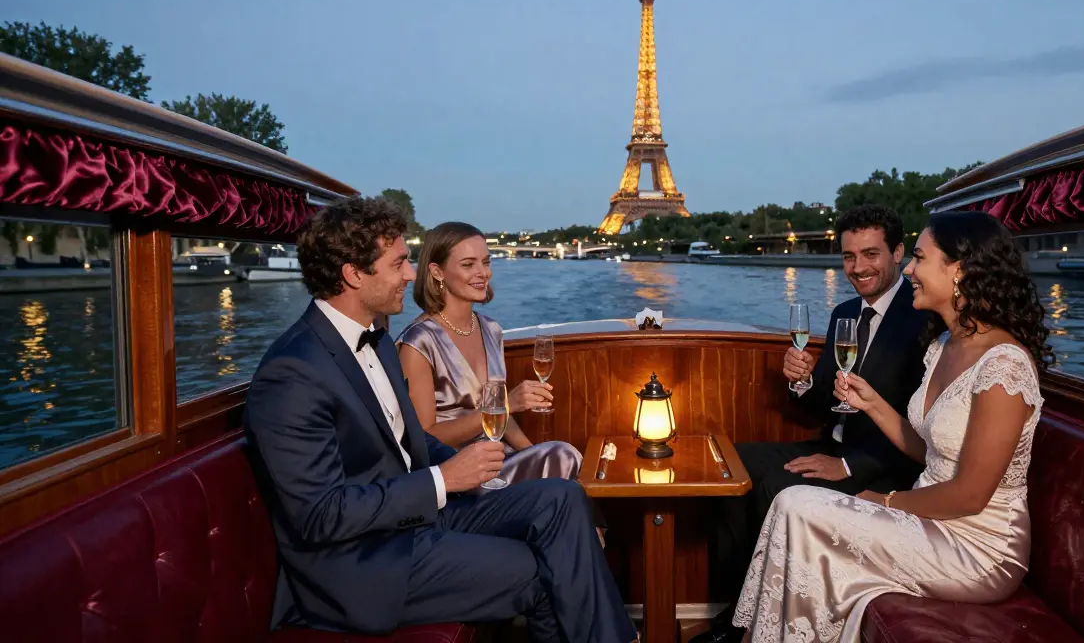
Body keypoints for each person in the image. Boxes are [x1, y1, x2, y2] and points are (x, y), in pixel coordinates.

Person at [243, 196, 635, 642]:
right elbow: (320, 515)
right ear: (353, 274)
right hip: (364, 564)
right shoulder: (293, 372)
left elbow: (412, 440)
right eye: (399, 263)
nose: (410, 274)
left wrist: (469, 472)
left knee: (562, 498)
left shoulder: (379, 343)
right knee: (538, 568)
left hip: (417, 519)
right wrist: (442, 480)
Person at [732, 210, 1054, 642]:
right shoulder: (944, 346)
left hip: (980, 546)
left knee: (796, 505)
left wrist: (879, 500)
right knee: (795, 503)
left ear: (959, 269)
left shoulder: (1004, 366)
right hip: (934, 516)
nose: (910, 270)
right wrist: (874, 404)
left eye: (919, 258)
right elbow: (928, 451)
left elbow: (972, 494)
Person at [697, 204, 931, 643]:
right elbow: (827, 400)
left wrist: (847, 468)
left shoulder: (923, 318)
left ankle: (765, 623)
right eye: (848, 256)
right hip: (833, 444)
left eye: (870, 254)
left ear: (899, 252)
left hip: (881, 466)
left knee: (774, 488)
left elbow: (922, 428)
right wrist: (803, 381)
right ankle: (732, 617)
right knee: (731, 467)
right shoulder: (844, 311)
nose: (858, 268)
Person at [397, 221, 606, 544]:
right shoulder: (417, 343)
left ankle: (585, 553)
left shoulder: (491, 330)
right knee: (564, 457)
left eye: (486, 261)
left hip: (500, 462)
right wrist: (510, 406)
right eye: (468, 264)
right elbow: (424, 438)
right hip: (460, 474)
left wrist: (535, 455)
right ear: (437, 272)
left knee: (561, 460)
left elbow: (501, 421)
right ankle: (593, 552)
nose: (482, 272)